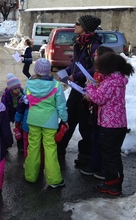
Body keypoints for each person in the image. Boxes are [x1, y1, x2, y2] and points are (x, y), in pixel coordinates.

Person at [84, 52, 134, 196]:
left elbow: (99, 98)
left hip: (109, 125)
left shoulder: (110, 83)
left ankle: (113, 184)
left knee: (109, 156)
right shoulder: (117, 80)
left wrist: (89, 87)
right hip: (117, 125)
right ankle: (113, 181)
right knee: (112, 155)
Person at [57, 14, 102, 168]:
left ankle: (85, 157)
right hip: (76, 89)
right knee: (68, 119)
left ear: (85, 28)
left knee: (85, 125)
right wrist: (66, 72)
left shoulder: (94, 46)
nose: (74, 25)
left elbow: (95, 68)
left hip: (87, 91)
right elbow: (75, 63)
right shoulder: (79, 43)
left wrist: (75, 75)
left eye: (77, 23)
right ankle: (58, 149)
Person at [24, 58, 68, 188]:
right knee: (50, 148)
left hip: (33, 119)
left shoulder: (29, 83)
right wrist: (65, 119)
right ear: (49, 71)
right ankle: (54, 179)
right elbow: (61, 105)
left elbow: (26, 98)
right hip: (50, 121)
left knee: (33, 147)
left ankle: (31, 176)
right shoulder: (55, 85)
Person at [79, 46, 115, 179]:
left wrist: (91, 90)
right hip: (96, 112)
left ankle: (104, 170)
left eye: (96, 55)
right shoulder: (98, 72)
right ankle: (94, 165)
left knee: (103, 142)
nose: (94, 56)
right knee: (95, 138)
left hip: (106, 116)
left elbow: (101, 96)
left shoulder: (109, 76)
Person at [1, 73, 25, 153]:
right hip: (9, 112)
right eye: (15, 88)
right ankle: (6, 144)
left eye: (18, 87)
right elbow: (3, 106)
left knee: (20, 129)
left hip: (19, 112)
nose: (17, 90)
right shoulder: (6, 96)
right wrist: (5, 117)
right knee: (5, 129)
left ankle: (21, 146)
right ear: (11, 89)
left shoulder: (22, 94)